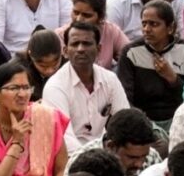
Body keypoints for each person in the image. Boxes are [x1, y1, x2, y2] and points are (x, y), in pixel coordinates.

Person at [41, 21, 129, 150]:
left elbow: (125, 120)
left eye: (87, 43)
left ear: (98, 49)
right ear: (65, 51)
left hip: (104, 150)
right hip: (70, 155)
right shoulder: (55, 87)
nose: (81, 49)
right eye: (75, 44)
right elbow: (65, 139)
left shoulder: (110, 79)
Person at [117, 0, 184, 131]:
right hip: (143, 121)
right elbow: (125, 97)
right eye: (144, 24)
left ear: (170, 28)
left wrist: (173, 78)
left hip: (178, 118)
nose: (147, 29)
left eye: (154, 24)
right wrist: (142, 123)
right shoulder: (131, 52)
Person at [54, 0, 129, 71]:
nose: (79, 19)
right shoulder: (60, 35)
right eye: (76, 13)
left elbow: (130, 56)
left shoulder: (111, 31)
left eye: (86, 15)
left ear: (100, 17)